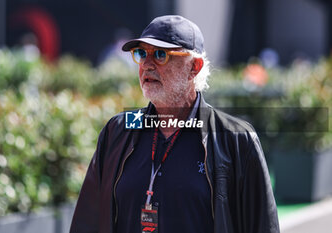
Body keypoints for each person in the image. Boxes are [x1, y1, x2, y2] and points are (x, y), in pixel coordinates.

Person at [70, 15, 280, 233]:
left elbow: (262, 227)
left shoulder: (236, 139)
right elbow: (87, 222)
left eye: (161, 55)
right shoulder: (117, 130)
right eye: (142, 54)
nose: (147, 65)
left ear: (194, 67)